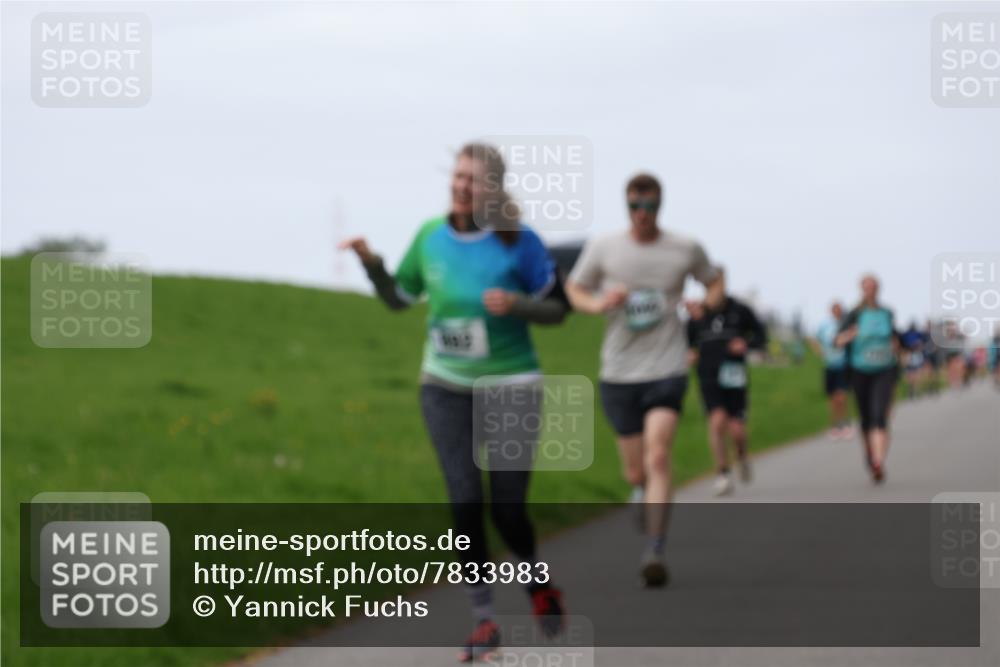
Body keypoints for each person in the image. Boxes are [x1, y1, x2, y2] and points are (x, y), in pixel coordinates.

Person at [340, 143, 567, 662]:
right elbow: (399, 299)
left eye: (475, 179)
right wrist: (373, 264)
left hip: (511, 385)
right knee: (465, 498)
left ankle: (537, 583)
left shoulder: (520, 242)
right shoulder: (429, 237)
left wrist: (519, 304)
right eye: (459, 176)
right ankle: (484, 620)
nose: (463, 186)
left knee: (508, 509)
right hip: (443, 384)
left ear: (494, 188)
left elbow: (559, 310)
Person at [565, 172, 722, 586]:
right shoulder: (605, 247)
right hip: (619, 372)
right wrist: (599, 304)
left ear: (660, 206)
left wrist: (705, 303)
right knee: (635, 471)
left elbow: (715, 278)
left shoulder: (684, 248)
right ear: (626, 206)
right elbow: (574, 290)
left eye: (650, 207)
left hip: (667, 367)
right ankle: (639, 491)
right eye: (635, 206)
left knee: (658, 456)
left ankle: (655, 547)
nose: (642, 215)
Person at [685, 271, 767, 496]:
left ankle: (741, 457)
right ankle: (723, 473)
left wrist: (745, 344)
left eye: (716, 283)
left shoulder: (740, 310)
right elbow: (686, 342)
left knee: (737, 430)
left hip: (734, 374)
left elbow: (760, 335)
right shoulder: (697, 314)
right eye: (708, 284)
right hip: (708, 376)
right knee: (717, 421)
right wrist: (690, 353)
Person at [835, 274, 900, 484]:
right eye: (866, 287)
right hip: (860, 370)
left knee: (880, 415)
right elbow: (836, 341)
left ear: (878, 289)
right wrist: (849, 335)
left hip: (885, 369)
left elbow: (895, 337)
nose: (870, 290)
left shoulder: (886, 313)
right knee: (866, 419)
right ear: (861, 289)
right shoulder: (854, 314)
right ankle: (870, 457)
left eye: (873, 286)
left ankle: (879, 461)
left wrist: (896, 347)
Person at [813, 301, 852, 439]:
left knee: (841, 396)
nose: (837, 311)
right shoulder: (825, 325)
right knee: (832, 398)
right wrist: (819, 352)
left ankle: (844, 423)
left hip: (843, 364)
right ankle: (835, 425)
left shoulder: (845, 324)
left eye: (839, 309)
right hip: (829, 365)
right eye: (834, 309)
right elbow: (814, 338)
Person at [899, 320, 927, 398]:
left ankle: (914, 389)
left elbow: (923, 343)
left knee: (914, 372)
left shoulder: (916, 334)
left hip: (914, 354)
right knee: (912, 372)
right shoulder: (911, 334)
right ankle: (913, 389)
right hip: (910, 354)